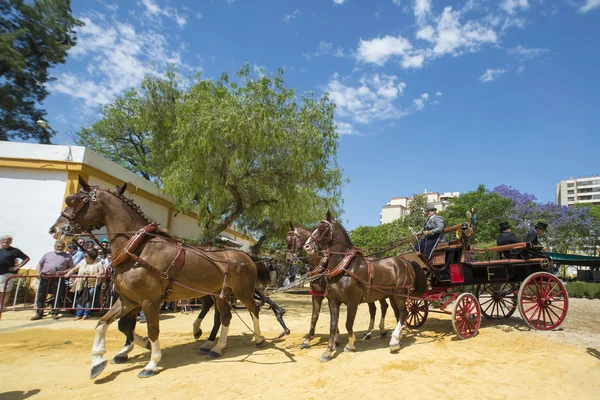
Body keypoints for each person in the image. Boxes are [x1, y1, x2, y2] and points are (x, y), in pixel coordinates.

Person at [31, 240, 74, 320]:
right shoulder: (48, 254)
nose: (60, 248)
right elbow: (40, 264)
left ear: (64, 248)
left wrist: (63, 272)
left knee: (57, 295)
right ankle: (39, 313)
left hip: (58, 278)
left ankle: (55, 312)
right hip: (45, 276)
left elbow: (71, 268)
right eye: (58, 246)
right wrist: (37, 272)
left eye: (61, 247)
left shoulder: (68, 256)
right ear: (55, 246)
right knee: (41, 295)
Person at [65, 248, 104, 320]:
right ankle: (78, 314)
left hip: (92, 283)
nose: (84, 257)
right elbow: (75, 269)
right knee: (79, 298)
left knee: (88, 299)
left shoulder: (98, 262)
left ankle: (86, 314)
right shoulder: (83, 261)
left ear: (92, 258)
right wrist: (68, 273)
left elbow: (101, 272)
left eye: (86, 256)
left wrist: (92, 276)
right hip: (81, 283)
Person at [0, 235, 30, 308]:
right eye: (3, 240)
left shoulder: (15, 250)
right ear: (0, 241)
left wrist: (17, 267)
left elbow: (26, 258)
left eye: (8, 240)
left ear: (10, 242)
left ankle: (2, 305)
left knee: (4, 290)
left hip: (6, 273)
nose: (5, 241)